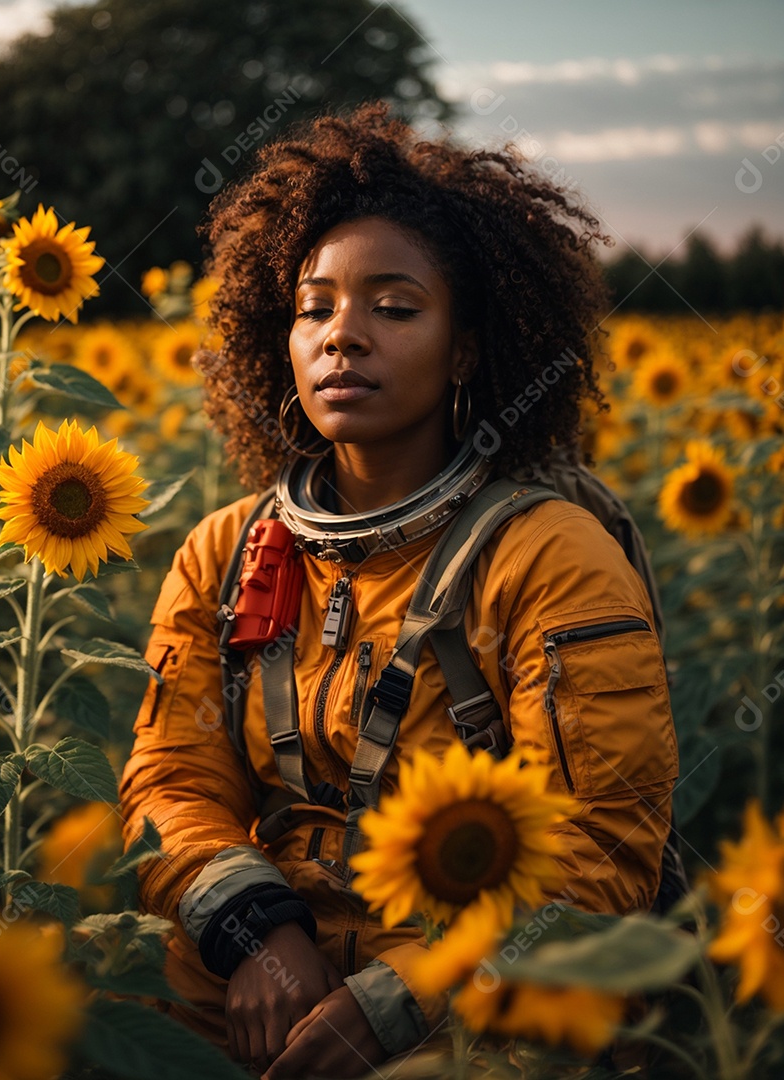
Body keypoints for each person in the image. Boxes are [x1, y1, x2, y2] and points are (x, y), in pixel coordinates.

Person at [120, 102, 679, 1079]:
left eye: (394, 306)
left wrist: (398, 1003)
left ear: (467, 350)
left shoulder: (548, 554)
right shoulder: (225, 552)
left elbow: (601, 852)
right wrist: (256, 932)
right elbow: (172, 782)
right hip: (257, 983)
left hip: (480, 994)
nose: (343, 336)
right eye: (314, 307)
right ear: (279, 342)